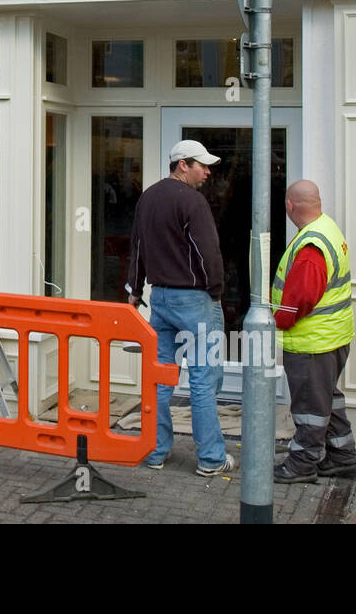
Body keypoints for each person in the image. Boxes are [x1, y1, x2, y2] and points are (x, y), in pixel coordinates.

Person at [125, 139, 235, 477]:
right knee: (203, 379)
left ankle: (155, 450)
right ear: (182, 165)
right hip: (195, 299)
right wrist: (215, 291)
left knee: (160, 379)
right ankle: (211, 459)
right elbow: (209, 254)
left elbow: (138, 247)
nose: (207, 172)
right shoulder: (193, 201)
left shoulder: (148, 198)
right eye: (201, 165)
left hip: (160, 299)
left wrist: (134, 289)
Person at [270, 180, 356, 483]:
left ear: (290, 206)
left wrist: (278, 319)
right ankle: (342, 457)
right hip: (333, 337)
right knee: (327, 400)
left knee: (310, 407)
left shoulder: (310, 246)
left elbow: (300, 298)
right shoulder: (327, 229)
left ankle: (302, 465)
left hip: (313, 342)